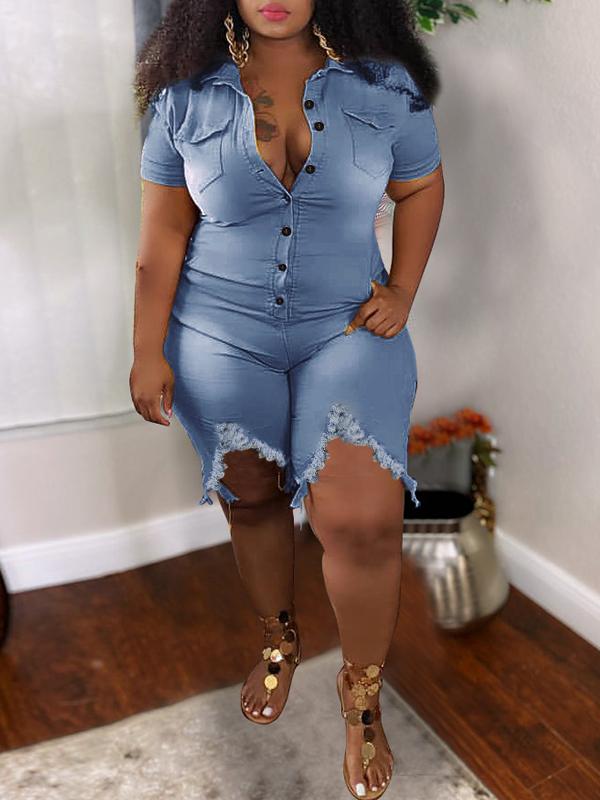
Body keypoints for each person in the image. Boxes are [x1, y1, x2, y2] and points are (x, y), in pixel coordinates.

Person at [131, 1, 444, 797]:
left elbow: (420, 185)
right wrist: (145, 348)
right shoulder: (182, 99)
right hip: (216, 333)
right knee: (253, 498)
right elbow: (163, 233)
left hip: (348, 326)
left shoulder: (385, 88)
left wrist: (403, 288)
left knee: (362, 524)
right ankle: (280, 640)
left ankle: (362, 697)